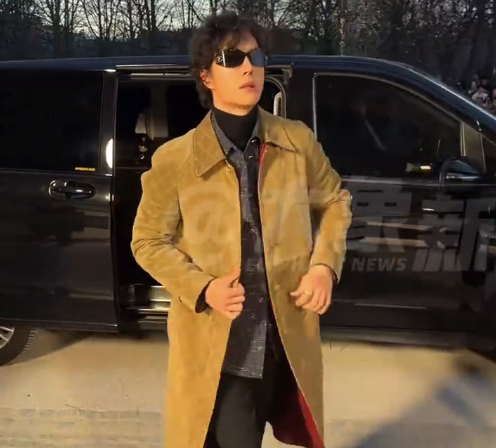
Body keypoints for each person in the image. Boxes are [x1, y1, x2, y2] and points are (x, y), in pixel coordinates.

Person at [131, 11, 352, 448]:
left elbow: (335, 201)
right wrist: (202, 287)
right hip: (224, 345)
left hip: (286, 336)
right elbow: (147, 241)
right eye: (232, 58)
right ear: (206, 76)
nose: (249, 68)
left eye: (256, 56)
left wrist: (324, 266)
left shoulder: (296, 141)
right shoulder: (176, 159)